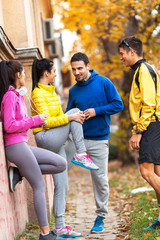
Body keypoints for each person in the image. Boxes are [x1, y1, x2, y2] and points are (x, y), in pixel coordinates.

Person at [31, 58, 99, 238]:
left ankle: (60, 227)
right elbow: (46, 123)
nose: (56, 73)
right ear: (46, 73)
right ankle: (82, 153)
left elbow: (60, 118)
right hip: (45, 138)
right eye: (53, 71)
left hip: (57, 139)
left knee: (62, 185)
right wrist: (71, 118)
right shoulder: (37, 94)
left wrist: (70, 127)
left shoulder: (52, 92)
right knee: (72, 113)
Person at [0, 60, 67, 240]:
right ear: (18, 75)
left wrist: (36, 120)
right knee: (39, 184)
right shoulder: (9, 96)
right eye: (23, 72)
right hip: (15, 146)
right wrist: (35, 120)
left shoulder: (18, 95)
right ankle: (45, 233)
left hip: (23, 144)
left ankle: (20, 172)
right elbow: (9, 126)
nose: (25, 75)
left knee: (60, 163)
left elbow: (19, 123)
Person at [65, 52, 123, 233]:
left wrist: (96, 111)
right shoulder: (73, 91)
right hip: (77, 141)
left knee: (100, 180)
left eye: (80, 68)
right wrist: (74, 116)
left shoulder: (104, 82)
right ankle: (58, 219)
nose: (77, 72)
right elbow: (68, 113)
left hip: (99, 140)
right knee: (58, 168)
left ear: (88, 66)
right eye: (74, 69)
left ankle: (101, 216)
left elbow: (117, 104)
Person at [119, 36, 160, 230]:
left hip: (151, 125)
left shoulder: (143, 71)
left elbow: (149, 104)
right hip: (154, 125)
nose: (121, 58)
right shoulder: (143, 70)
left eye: (122, 54)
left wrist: (138, 131)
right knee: (157, 173)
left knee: (146, 172)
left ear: (132, 52)